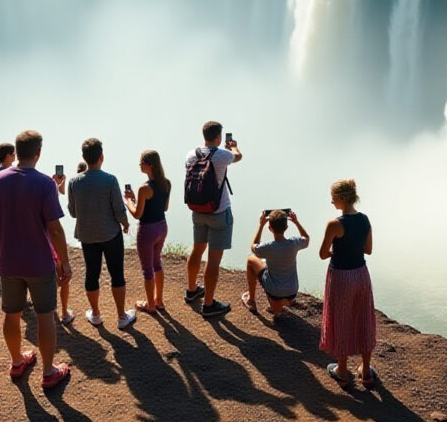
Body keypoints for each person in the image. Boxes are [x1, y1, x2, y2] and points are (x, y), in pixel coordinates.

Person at [0, 130, 72, 390]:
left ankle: (17, 361)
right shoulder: (45, 184)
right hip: (39, 263)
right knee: (45, 316)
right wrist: (64, 262)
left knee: (11, 314)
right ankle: (49, 372)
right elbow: (55, 229)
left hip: (7, 262)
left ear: (17, 152)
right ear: (38, 152)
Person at [67, 138, 134, 330]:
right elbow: (119, 209)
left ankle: (95, 314)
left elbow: (72, 212)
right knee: (117, 273)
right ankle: (121, 317)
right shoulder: (110, 180)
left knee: (92, 273)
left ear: (84, 158)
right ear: (101, 157)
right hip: (111, 234)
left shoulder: (74, 182)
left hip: (87, 236)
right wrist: (125, 223)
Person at [318, 179, 376, 387]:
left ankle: (342, 370)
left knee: (341, 319)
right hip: (361, 274)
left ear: (342, 198)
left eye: (333, 198)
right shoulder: (365, 220)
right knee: (364, 318)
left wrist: (338, 250)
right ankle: (366, 369)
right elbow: (368, 249)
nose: (331, 201)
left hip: (341, 276)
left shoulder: (335, 224)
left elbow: (323, 254)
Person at [184, 120, 241, 318]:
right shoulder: (222, 155)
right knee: (214, 260)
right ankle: (209, 304)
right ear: (218, 137)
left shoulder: (191, 154)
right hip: (218, 212)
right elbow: (238, 157)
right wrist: (233, 147)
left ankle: (191, 290)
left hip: (198, 211)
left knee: (197, 250)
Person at [124, 149, 170, 313]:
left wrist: (129, 201)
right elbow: (164, 207)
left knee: (147, 269)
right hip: (162, 227)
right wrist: (137, 200)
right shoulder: (166, 183)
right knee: (157, 263)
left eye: (141, 163)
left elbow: (137, 214)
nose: (139, 165)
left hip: (147, 231)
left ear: (148, 165)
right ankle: (159, 300)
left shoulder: (144, 188)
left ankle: (150, 305)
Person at [244, 209, 310, 316]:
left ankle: (251, 300)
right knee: (269, 265)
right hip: (292, 291)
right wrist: (296, 222)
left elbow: (254, 247)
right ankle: (280, 306)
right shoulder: (294, 243)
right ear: (286, 227)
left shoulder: (268, 247)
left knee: (251, 259)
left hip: (274, 292)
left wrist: (261, 225)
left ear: (270, 228)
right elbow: (306, 239)